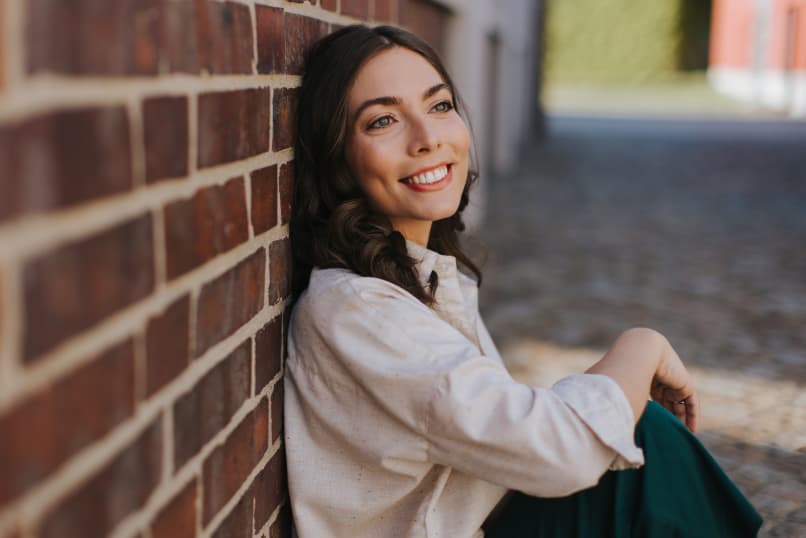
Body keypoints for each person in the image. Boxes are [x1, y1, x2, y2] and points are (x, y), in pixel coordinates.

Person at [283, 24, 762, 538]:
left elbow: (515, 434)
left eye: (439, 106)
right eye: (382, 121)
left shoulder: (417, 276)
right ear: (338, 158)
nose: (427, 139)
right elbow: (561, 453)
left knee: (636, 434)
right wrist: (641, 348)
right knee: (641, 435)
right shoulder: (359, 310)